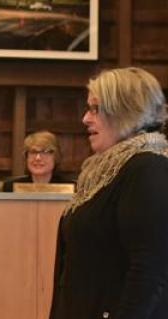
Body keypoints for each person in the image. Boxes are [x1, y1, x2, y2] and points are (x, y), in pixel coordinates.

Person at [49, 67, 168, 319]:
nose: (85, 119)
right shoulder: (103, 170)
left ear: (126, 110)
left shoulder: (148, 167)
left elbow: (150, 269)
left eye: (95, 109)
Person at [2, 130, 71, 191]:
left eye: (44, 152)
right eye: (33, 152)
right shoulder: (10, 187)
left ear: (56, 157)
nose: (38, 158)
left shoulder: (72, 187)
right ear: (26, 157)